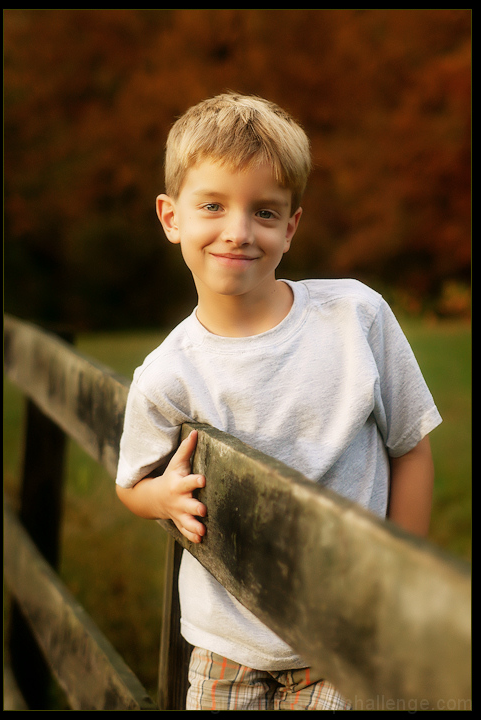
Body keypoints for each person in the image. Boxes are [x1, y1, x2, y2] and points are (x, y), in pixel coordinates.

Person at [115, 92, 442, 710]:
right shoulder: (166, 374)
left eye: (265, 212)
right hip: (224, 644)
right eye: (212, 205)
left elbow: (412, 448)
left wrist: (404, 584)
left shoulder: (355, 317)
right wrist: (162, 497)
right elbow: (130, 485)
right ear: (170, 216)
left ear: (290, 227)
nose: (238, 231)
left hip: (344, 639)